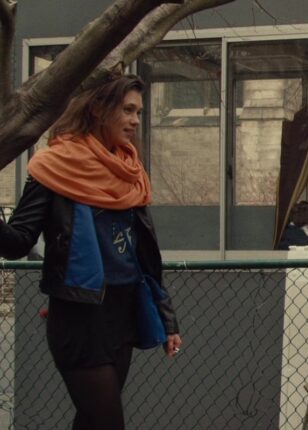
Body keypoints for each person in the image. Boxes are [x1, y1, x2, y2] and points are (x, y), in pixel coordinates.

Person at [0, 73, 182, 430]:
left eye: (139, 112)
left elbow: (142, 257)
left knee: (91, 422)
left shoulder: (130, 173)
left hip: (125, 315)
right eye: (127, 110)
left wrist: (167, 318)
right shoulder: (55, 167)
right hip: (80, 319)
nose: (134, 120)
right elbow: (18, 242)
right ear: (99, 108)